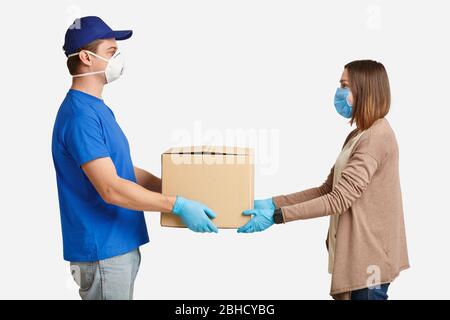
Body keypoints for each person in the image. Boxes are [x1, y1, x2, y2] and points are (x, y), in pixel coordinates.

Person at [52, 16, 218, 300]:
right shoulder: (80, 116)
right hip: (103, 251)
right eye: (110, 51)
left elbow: (122, 170)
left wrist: (173, 187)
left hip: (119, 245)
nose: (118, 57)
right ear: (85, 58)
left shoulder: (97, 109)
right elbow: (110, 188)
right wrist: (176, 204)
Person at [238, 60, 410, 300]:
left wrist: (278, 217)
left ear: (365, 89)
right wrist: (273, 203)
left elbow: (339, 200)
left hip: (370, 264)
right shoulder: (358, 135)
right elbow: (327, 189)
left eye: (344, 85)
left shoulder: (376, 137)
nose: (339, 92)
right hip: (357, 258)